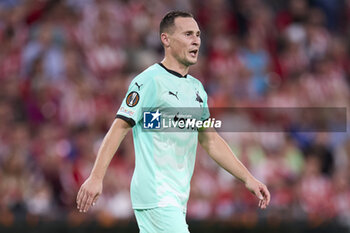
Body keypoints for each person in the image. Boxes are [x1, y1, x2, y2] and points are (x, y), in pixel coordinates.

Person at [76, 11, 270, 233]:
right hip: (156, 194)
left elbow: (211, 140)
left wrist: (248, 179)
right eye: (188, 34)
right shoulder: (149, 81)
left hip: (177, 199)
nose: (196, 40)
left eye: (197, 34)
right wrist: (96, 177)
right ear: (166, 39)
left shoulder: (197, 89)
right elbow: (119, 127)